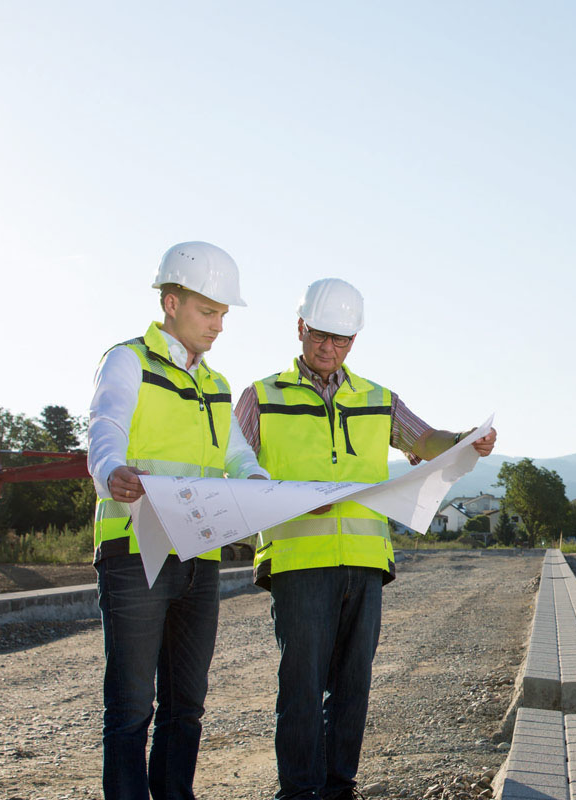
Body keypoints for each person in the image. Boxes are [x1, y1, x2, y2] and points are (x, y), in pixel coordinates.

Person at [234, 277, 497, 800]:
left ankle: (338, 787)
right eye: (320, 335)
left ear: (354, 340)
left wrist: (467, 438)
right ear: (301, 327)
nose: (329, 348)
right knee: (303, 688)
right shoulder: (261, 397)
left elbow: (424, 440)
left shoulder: (379, 400)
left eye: (342, 339)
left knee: (353, 687)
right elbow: (232, 463)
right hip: (297, 561)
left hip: (365, 559)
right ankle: (300, 790)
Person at [87, 241, 269, 800]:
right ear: (171, 302)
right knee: (132, 705)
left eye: (223, 315)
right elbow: (106, 423)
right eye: (208, 312)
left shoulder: (216, 385)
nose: (219, 326)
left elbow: (237, 455)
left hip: (199, 552)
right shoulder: (129, 359)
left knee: (186, 703)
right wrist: (109, 469)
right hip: (133, 549)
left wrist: (260, 486)